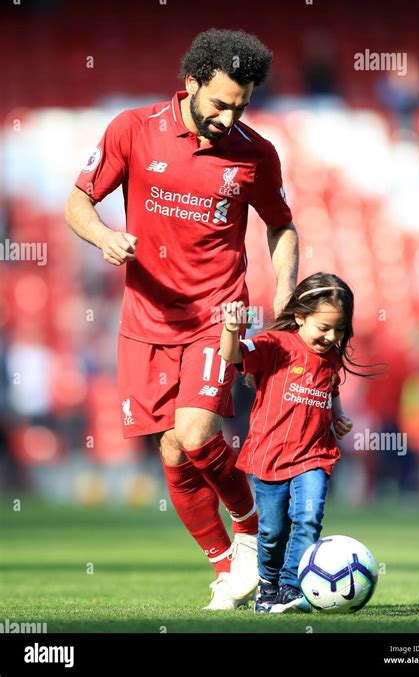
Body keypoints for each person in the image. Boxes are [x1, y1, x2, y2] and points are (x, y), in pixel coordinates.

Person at [64, 28, 299, 610]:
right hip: (145, 320)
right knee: (172, 451)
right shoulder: (132, 130)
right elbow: (78, 202)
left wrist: (287, 295)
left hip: (217, 316)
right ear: (190, 83)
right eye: (220, 103)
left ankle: (251, 531)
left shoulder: (255, 153)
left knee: (197, 434)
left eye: (241, 106)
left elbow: (281, 225)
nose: (228, 117)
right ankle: (226, 567)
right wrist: (102, 238)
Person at [220, 272, 374, 613]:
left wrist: (338, 415)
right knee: (273, 530)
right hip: (270, 456)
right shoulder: (275, 345)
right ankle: (268, 587)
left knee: (308, 519)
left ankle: (291, 586)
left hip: (315, 455)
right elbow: (232, 356)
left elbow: (330, 388)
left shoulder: (331, 356)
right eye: (324, 328)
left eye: (340, 329)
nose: (332, 337)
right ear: (301, 316)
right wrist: (230, 328)